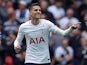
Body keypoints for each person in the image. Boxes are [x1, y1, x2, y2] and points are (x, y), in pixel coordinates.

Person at [14, 3, 80, 65]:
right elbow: (17, 40)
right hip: (30, 60)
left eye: (40, 10)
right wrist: (16, 46)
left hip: (44, 60)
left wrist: (71, 28)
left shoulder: (47, 24)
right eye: (36, 10)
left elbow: (63, 33)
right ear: (30, 13)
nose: (38, 12)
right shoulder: (23, 27)